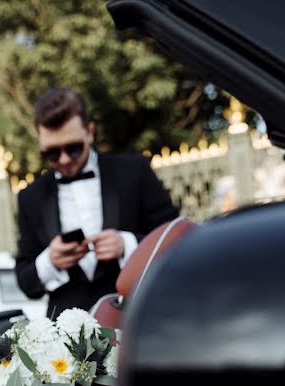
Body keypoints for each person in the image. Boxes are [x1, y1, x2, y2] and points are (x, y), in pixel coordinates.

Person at [14, 87, 179, 317]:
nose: (63, 160)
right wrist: (50, 261)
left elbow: (176, 242)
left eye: (73, 148)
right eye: (51, 153)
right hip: (63, 340)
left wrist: (126, 245)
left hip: (136, 320)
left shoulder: (135, 172)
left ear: (90, 132)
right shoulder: (30, 197)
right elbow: (25, 281)